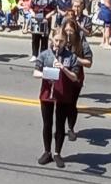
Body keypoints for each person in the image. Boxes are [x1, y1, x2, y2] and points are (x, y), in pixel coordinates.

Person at [33, 28, 82, 168]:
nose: (58, 43)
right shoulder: (45, 55)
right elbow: (35, 72)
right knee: (47, 124)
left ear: (65, 41)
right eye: (56, 40)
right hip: (47, 94)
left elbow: (75, 77)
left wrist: (63, 69)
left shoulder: (71, 57)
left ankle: (57, 153)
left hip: (63, 95)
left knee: (60, 125)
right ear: (51, 39)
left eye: (61, 41)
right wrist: (46, 74)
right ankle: (47, 151)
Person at [61, 18, 93, 141]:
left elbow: (89, 62)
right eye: (66, 30)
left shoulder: (81, 42)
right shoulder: (61, 40)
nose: (68, 33)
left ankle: (70, 128)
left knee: (71, 104)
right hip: (62, 78)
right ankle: (60, 128)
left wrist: (75, 59)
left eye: (71, 30)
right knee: (61, 105)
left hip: (76, 77)